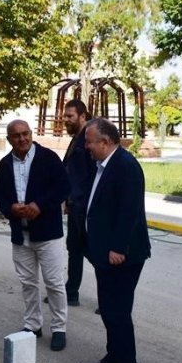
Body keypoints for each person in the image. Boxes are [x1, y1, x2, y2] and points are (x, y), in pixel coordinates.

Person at [78, 118, 151, 363]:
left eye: (89, 142)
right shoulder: (103, 164)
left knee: (118, 312)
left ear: (105, 142)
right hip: (104, 253)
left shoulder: (125, 166)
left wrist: (118, 247)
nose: (86, 146)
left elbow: (129, 212)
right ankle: (114, 357)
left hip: (122, 256)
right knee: (109, 310)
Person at [0, 120, 70, 351]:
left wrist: (40, 205)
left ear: (31, 133)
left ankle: (59, 328)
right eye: (16, 135)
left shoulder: (48, 158)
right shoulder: (5, 164)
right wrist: (10, 208)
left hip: (48, 234)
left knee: (54, 283)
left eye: (25, 133)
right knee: (28, 283)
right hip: (21, 234)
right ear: (9, 139)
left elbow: (63, 187)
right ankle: (33, 325)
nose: (22, 139)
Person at [62, 99, 97, 307]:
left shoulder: (89, 140)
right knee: (74, 248)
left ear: (83, 116)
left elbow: (94, 174)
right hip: (75, 204)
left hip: (86, 207)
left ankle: (109, 297)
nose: (65, 120)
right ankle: (71, 291)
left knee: (92, 251)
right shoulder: (76, 138)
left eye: (70, 116)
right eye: (65, 116)